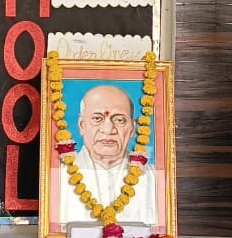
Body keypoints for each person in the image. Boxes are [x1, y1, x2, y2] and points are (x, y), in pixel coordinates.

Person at [57, 84, 158, 226]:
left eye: (119, 120)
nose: (108, 129)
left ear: (132, 128)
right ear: (81, 125)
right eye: (97, 118)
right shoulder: (57, 178)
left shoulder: (154, 178)